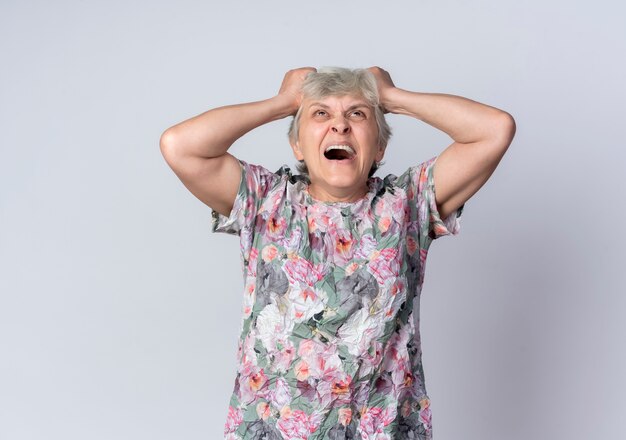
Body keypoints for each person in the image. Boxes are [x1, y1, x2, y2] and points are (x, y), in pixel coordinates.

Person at [160, 66, 515, 439]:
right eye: (320, 113)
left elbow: (494, 130)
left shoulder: (407, 203)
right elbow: (180, 145)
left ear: (380, 147)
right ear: (297, 145)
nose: (340, 126)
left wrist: (392, 97)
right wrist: (281, 103)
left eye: (357, 114)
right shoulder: (266, 199)